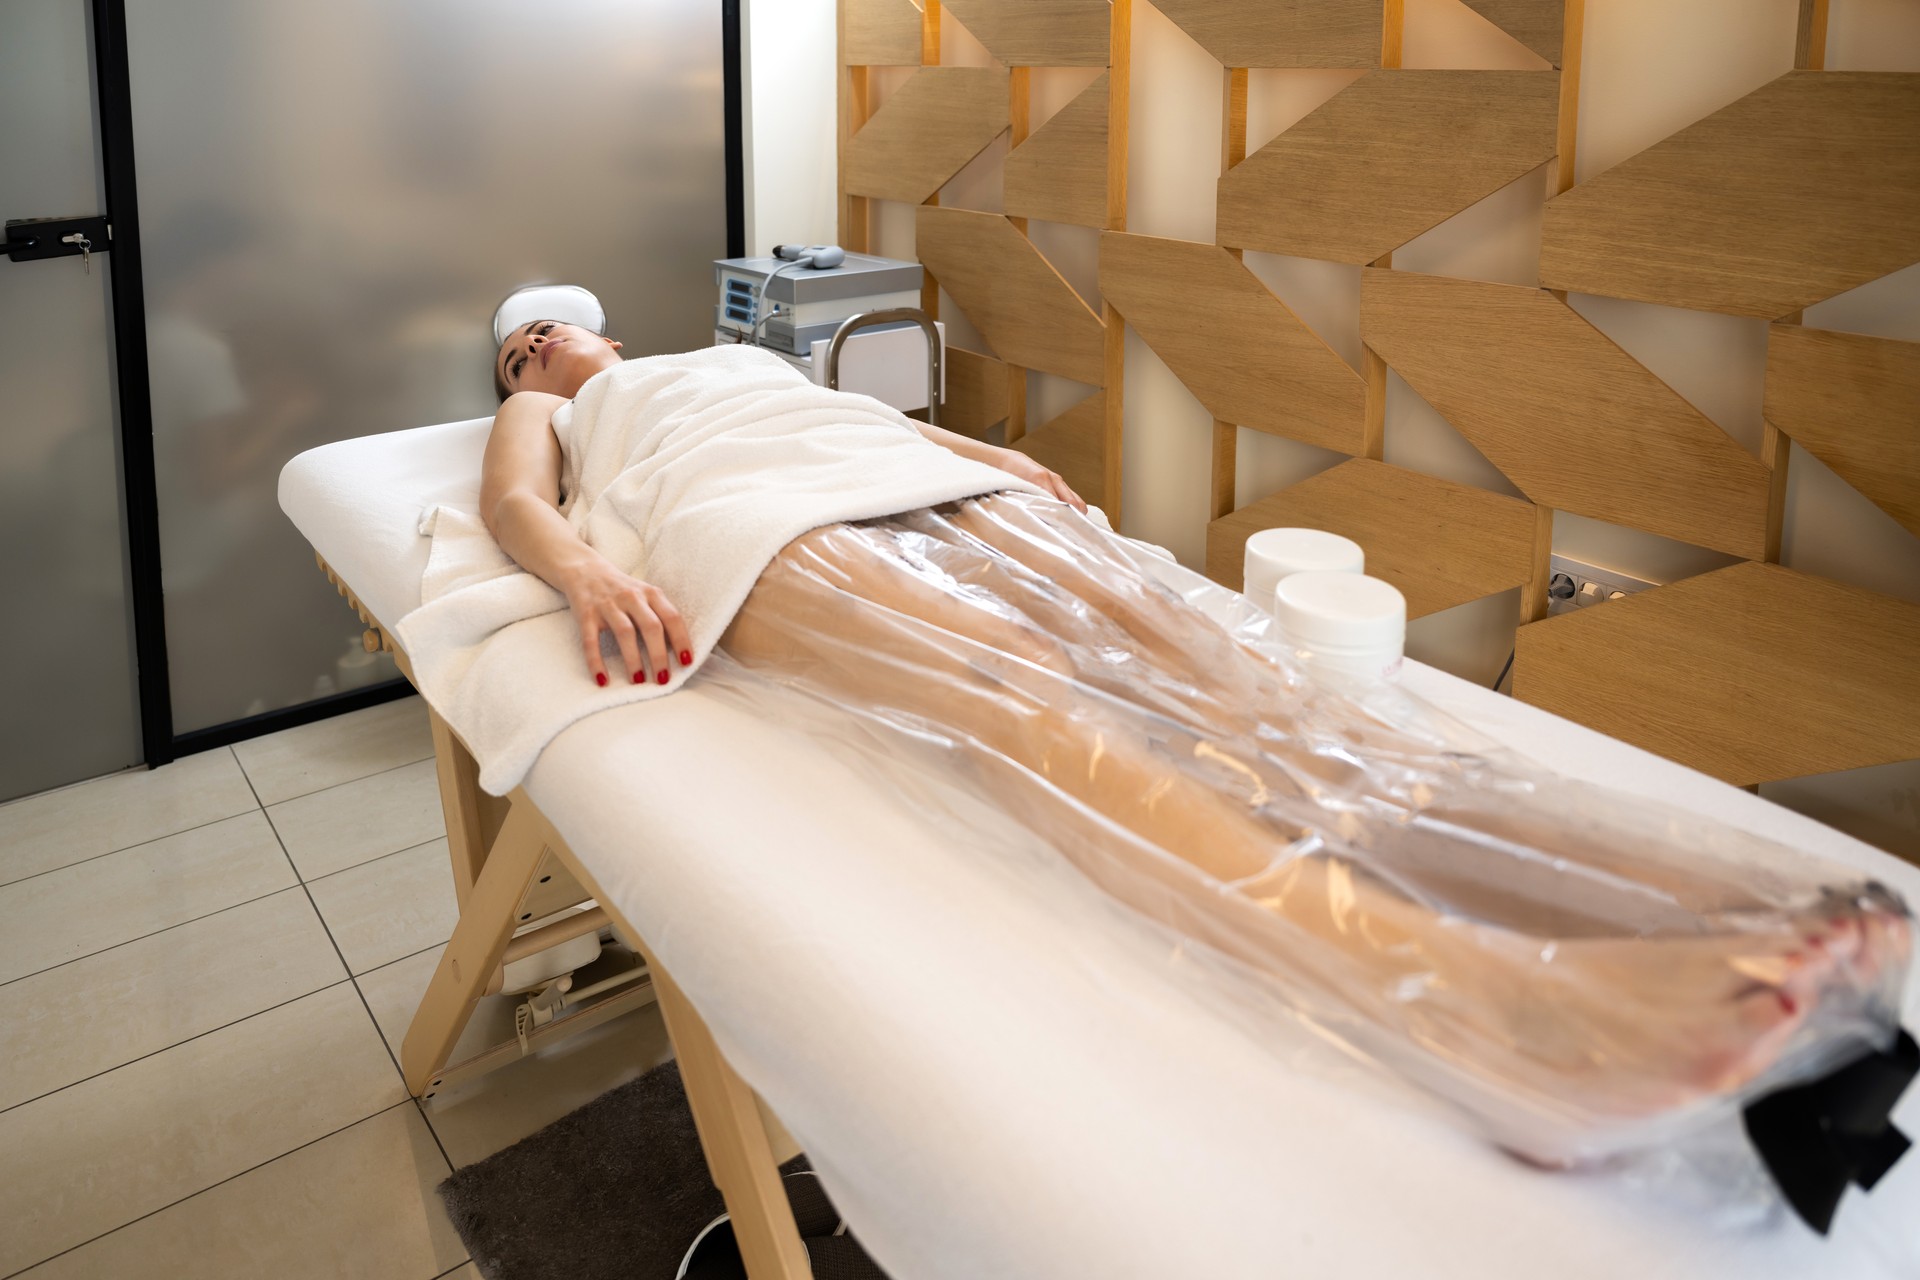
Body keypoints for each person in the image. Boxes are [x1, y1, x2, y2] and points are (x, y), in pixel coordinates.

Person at [483, 320, 1911, 1160]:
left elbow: (858, 411)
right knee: (1033, 717)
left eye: (539, 332)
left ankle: (1686, 899)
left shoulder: (726, 352)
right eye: (519, 347)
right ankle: (1491, 1005)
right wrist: (591, 572)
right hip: (769, 540)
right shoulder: (563, 408)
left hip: (923, 486)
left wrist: (999, 462)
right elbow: (514, 510)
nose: (538, 345)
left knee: (1262, 699)